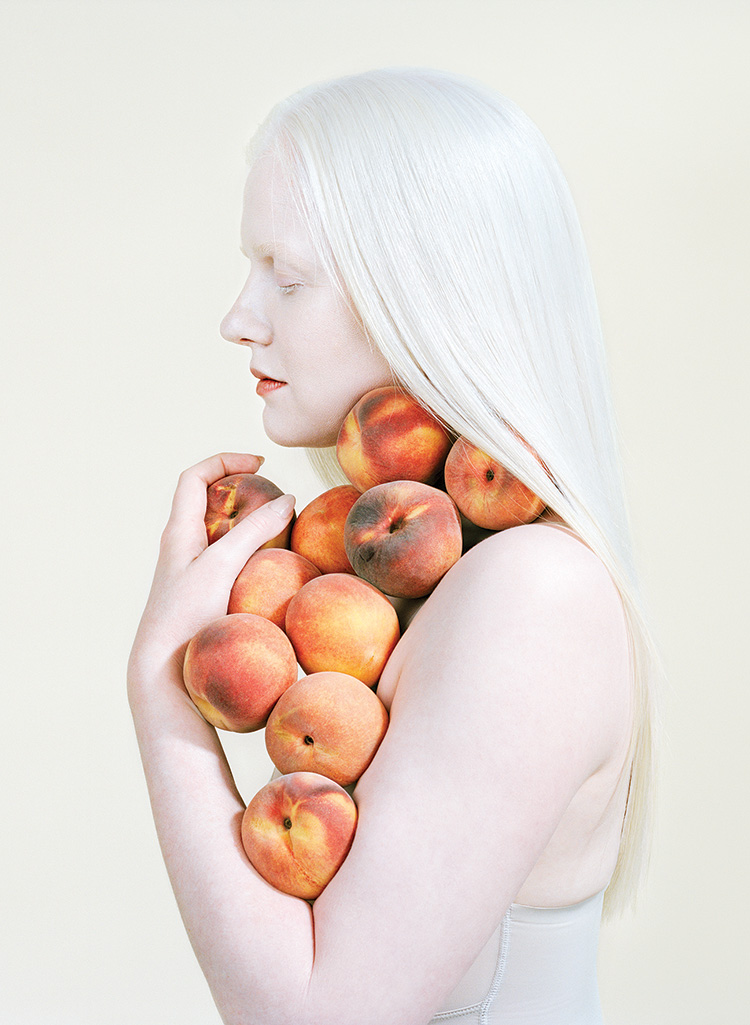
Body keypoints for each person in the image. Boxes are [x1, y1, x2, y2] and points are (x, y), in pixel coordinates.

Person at [127, 67, 662, 1025]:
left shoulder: (531, 591)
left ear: (424, 294)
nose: (238, 319)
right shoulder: (440, 587)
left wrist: (163, 694)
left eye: (287, 277)